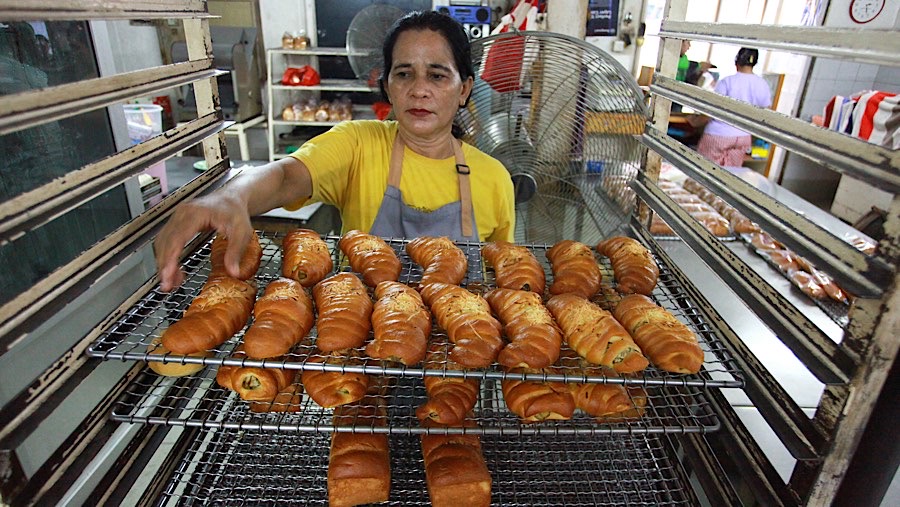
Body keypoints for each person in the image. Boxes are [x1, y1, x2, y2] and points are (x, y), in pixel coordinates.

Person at [154, 11, 515, 291]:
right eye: (404, 74)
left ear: (465, 88)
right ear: (387, 85)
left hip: (458, 354)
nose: (419, 90)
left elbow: (500, 275)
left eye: (437, 75)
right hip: (354, 351)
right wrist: (232, 197)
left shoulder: (494, 179)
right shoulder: (357, 143)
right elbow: (285, 177)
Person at [697, 47, 772, 167]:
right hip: (743, 137)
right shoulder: (762, 84)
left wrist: (697, 121)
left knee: (704, 171)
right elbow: (767, 112)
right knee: (730, 175)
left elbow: (712, 109)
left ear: (736, 62)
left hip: (718, 135)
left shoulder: (727, 81)